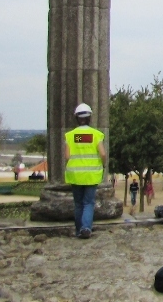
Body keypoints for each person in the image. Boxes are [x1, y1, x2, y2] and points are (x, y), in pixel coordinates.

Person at [64, 102, 107, 239]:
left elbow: (66, 156)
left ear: (76, 118)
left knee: (78, 203)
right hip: (91, 174)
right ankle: (86, 227)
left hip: (75, 175)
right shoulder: (96, 134)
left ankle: (78, 230)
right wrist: (103, 165)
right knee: (88, 202)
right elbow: (103, 154)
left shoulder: (70, 136)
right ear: (89, 118)